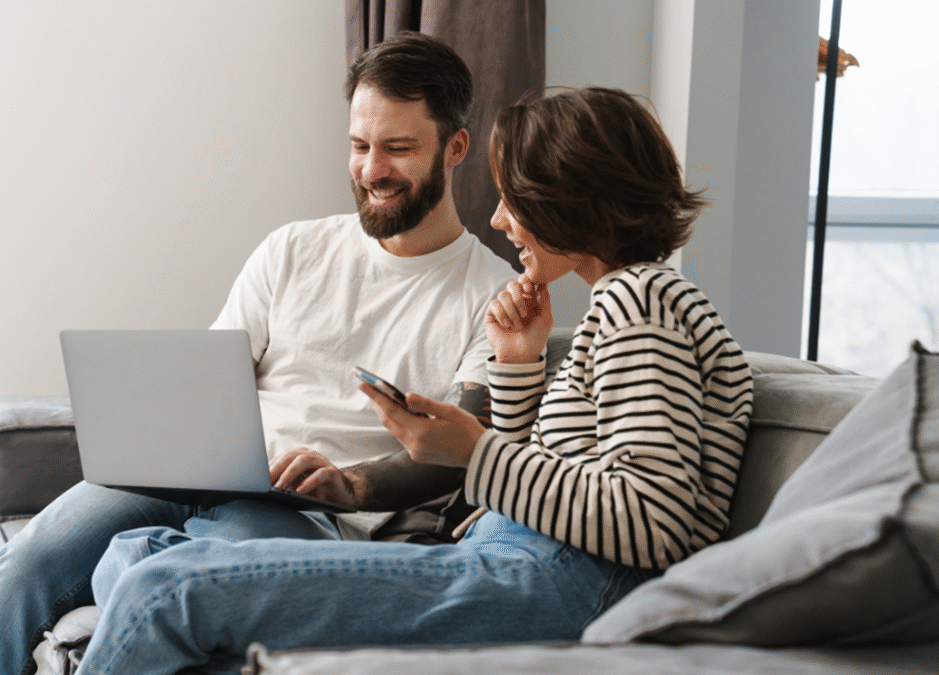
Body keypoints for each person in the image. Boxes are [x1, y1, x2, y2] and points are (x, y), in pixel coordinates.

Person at [65, 86, 754, 675]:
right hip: (515, 559)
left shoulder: (640, 301)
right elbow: (543, 486)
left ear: (568, 198)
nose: (498, 219)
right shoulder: (634, 301)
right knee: (136, 552)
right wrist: (516, 364)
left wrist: (472, 452)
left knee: (161, 587)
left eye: (515, 198)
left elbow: (652, 521)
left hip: (552, 581)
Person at [0, 32, 516, 675]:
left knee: (167, 576)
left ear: (455, 148)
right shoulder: (293, 249)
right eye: (359, 145)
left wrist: (352, 483)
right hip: (195, 476)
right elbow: (210, 382)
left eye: (398, 148)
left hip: (311, 514)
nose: (372, 168)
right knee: (30, 556)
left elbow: (463, 450)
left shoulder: (491, 298)